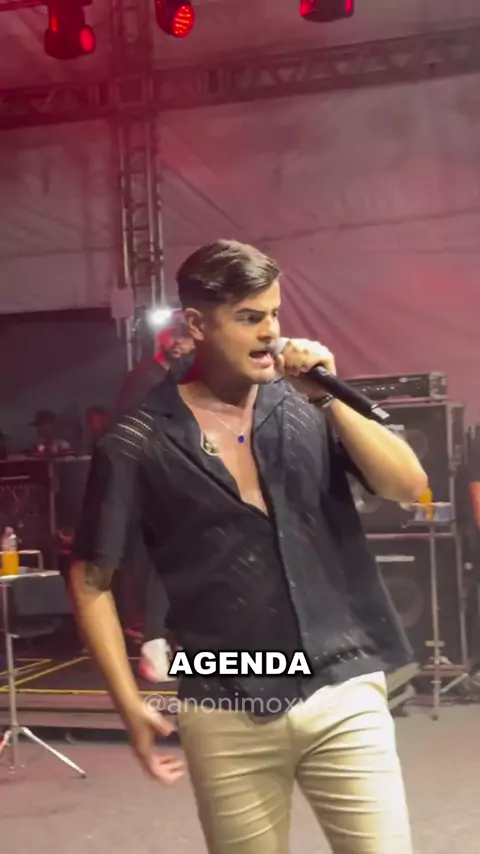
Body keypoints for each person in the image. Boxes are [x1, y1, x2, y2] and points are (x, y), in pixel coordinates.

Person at [69, 239, 428, 854]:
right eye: (249, 317)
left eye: (275, 314)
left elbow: (408, 485)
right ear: (196, 324)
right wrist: (128, 704)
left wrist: (329, 397)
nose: (270, 332)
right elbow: (90, 580)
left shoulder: (308, 405)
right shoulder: (138, 439)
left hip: (342, 683)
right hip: (224, 701)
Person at [114, 310, 195, 679]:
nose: (178, 341)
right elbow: (127, 431)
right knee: (163, 562)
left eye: (185, 335)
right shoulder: (144, 377)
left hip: (185, 478)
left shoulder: (189, 378)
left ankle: (178, 643)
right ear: (159, 337)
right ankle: (154, 642)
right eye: (172, 334)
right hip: (153, 480)